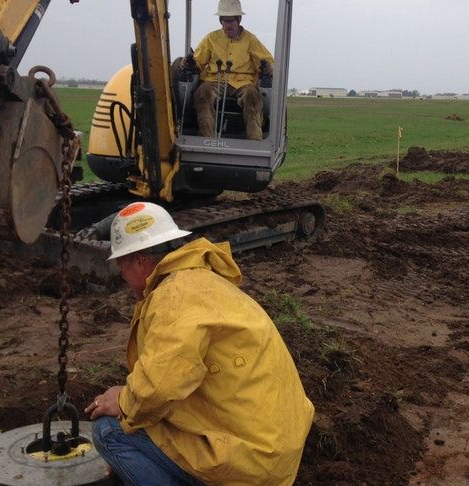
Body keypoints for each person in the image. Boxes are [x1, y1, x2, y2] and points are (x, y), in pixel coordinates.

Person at [86, 202, 314, 485]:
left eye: (122, 265)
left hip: (251, 463)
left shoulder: (174, 298)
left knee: (108, 431)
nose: (122, 275)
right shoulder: (203, 281)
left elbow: (158, 388)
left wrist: (123, 401)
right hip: (274, 447)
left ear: (141, 260)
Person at [187, 0, 274, 140]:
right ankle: (206, 139)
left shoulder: (250, 40)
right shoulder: (211, 38)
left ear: (238, 20)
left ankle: (254, 141)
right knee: (202, 93)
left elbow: (268, 62)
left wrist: (268, 67)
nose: (228, 25)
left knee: (252, 96)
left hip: (243, 83)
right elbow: (197, 61)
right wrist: (188, 62)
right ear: (220, 21)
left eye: (231, 21)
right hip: (215, 81)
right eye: (225, 21)